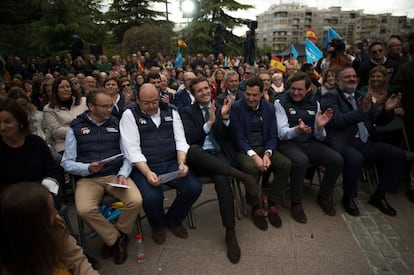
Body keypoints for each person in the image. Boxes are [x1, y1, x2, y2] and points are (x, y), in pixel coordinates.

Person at [180, 77, 259, 263]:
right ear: (193, 94)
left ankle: (230, 233)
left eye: (206, 89)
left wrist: (224, 118)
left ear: (211, 88)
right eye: (199, 91)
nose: (204, 93)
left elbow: (232, 137)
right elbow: (188, 139)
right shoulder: (187, 112)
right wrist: (208, 124)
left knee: (222, 179)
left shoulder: (222, 105)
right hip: (198, 158)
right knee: (193, 150)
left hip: (219, 156)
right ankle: (243, 177)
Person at [61, 88, 142, 264]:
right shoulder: (76, 128)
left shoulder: (116, 123)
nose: (109, 109)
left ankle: (118, 234)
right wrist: (87, 168)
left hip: (115, 175)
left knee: (135, 200)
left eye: (111, 105)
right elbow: (66, 163)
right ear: (91, 106)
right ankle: (116, 240)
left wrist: (123, 173)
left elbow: (128, 155)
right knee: (84, 210)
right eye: (104, 106)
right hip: (89, 178)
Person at [119, 83, 202, 245]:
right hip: (145, 166)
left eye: (154, 101)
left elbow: (180, 141)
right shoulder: (129, 114)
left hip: (171, 162)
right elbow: (132, 149)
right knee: (151, 197)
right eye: (146, 103)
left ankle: (173, 219)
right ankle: (158, 226)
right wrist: (147, 172)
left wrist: (181, 163)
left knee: (194, 186)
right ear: (138, 100)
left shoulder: (170, 110)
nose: (151, 106)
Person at [320, 67, 406, 217]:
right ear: (339, 81)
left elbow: (377, 120)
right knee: (355, 158)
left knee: (397, 154)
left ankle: (379, 196)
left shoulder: (362, 96)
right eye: (347, 77)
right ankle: (348, 197)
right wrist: (361, 112)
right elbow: (337, 121)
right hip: (343, 142)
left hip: (366, 141)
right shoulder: (330, 97)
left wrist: (387, 110)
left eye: (354, 76)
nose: (352, 79)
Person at [275, 72, 344, 223]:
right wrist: (296, 130)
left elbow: (321, 137)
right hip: (288, 143)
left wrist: (319, 128)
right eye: (293, 88)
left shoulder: (315, 102)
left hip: (309, 142)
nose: (295, 92)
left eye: (300, 89)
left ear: (308, 89)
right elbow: (281, 133)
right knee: (301, 161)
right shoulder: (280, 101)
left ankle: (324, 196)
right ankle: (296, 203)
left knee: (336, 159)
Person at [230, 77, 291, 231]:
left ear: (262, 93)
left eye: (254, 95)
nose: (250, 98)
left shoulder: (269, 108)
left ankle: (272, 201)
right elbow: (238, 138)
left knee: (285, 164)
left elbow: (272, 135)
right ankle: (255, 206)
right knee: (251, 168)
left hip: (264, 146)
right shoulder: (236, 107)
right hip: (244, 148)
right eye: (248, 94)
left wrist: (267, 154)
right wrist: (255, 156)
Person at [0, 182, 99, 275]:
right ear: (33, 224)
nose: (57, 212)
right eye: (50, 211)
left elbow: (77, 260)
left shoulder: (55, 225)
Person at [0, 97, 61, 194]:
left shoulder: (36, 143)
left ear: (19, 121)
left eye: (8, 122)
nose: (2, 127)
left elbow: (52, 170)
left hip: (41, 196)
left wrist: (46, 190)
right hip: (8, 201)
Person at [391, 56, 414, 203]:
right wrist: (398, 107)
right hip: (409, 115)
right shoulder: (406, 68)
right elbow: (396, 91)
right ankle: (412, 185)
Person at [44, 77, 87, 154]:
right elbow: (56, 131)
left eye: (68, 87)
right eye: (62, 87)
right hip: (64, 145)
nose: (66, 89)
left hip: (86, 140)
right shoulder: (49, 108)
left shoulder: (84, 101)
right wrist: (79, 131)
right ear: (56, 91)